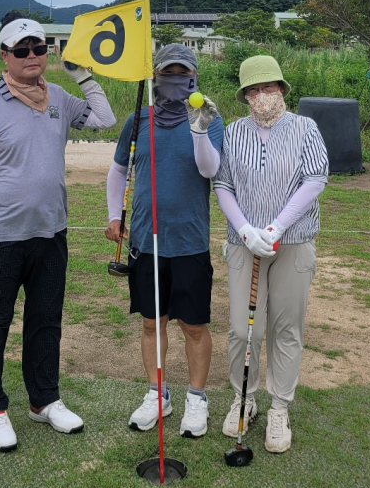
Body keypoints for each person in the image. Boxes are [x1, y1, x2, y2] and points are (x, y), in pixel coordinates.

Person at [0, 12, 116, 452]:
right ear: (5, 56)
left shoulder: (59, 99)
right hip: (4, 234)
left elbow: (104, 119)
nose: (32, 56)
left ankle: (43, 400)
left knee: (46, 320)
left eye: (39, 48)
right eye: (22, 50)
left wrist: (84, 76)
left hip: (51, 232)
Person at [105, 44, 224, 439]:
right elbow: (118, 169)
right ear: (156, 77)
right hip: (145, 240)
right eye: (168, 74)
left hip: (189, 241)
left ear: (194, 78)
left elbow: (210, 168)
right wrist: (113, 216)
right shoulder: (137, 120)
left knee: (193, 326)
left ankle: (196, 397)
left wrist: (198, 127)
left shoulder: (210, 117)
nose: (176, 80)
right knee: (151, 323)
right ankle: (158, 394)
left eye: (183, 74)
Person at [213, 54, 328, 453]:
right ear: (246, 95)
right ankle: (244, 397)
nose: (264, 96)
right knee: (244, 330)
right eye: (255, 89)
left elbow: (315, 179)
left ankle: (279, 407)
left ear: (282, 90)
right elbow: (222, 184)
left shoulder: (305, 128)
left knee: (286, 328)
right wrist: (245, 230)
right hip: (245, 244)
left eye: (270, 87)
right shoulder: (232, 132)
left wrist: (277, 227)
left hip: (293, 240)